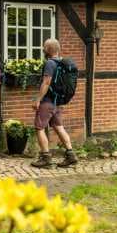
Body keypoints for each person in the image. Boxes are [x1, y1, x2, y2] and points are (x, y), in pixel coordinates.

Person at [31, 38, 79, 168]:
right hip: (58, 102)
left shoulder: (50, 63)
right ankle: (71, 155)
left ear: (47, 49)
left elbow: (46, 82)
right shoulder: (62, 63)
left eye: (44, 47)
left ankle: (45, 157)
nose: (43, 49)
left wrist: (38, 99)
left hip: (48, 101)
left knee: (39, 128)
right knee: (58, 127)